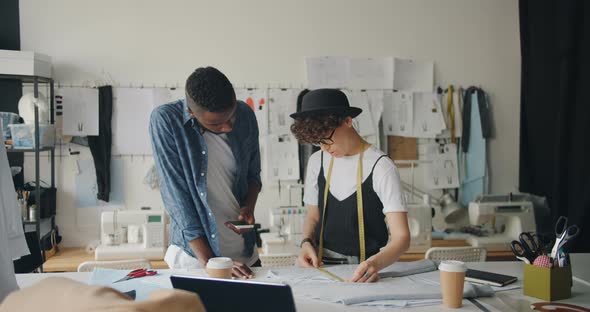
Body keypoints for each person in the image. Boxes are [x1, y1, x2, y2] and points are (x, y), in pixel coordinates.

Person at [150, 67, 262, 278]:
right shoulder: (166, 121)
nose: (228, 127)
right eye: (217, 124)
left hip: (245, 254)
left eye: (231, 117)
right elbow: (176, 197)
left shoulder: (245, 114)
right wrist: (212, 262)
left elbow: (253, 175)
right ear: (192, 113)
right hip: (195, 259)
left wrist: (248, 206)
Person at [290, 89, 410, 283]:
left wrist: (374, 264)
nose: (324, 148)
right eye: (318, 142)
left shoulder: (381, 167)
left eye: (327, 139)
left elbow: (402, 238)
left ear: (347, 121)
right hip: (320, 266)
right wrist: (305, 242)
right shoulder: (317, 161)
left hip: (364, 269)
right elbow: (313, 215)